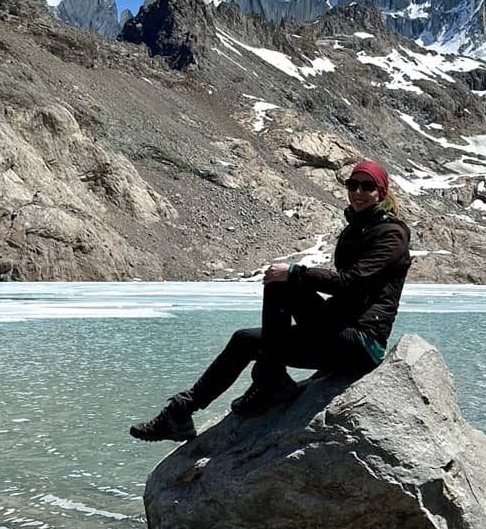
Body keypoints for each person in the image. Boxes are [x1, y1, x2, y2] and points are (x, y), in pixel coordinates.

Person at [130, 158, 412, 442]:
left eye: (367, 186)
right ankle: (181, 413)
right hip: (336, 333)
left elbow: (350, 283)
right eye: (353, 185)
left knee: (283, 284)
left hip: (362, 343)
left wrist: (294, 272)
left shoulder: (392, 234)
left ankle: (269, 377)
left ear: (381, 192)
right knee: (244, 340)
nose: (358, 192)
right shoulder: (356, 229)